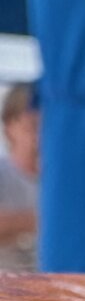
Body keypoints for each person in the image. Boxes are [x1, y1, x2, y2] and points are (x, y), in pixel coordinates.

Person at [0, 84, 39, 272]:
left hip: (54, 293)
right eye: (32, 126)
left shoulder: (64, 182)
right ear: (9, 126)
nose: (39, 136)